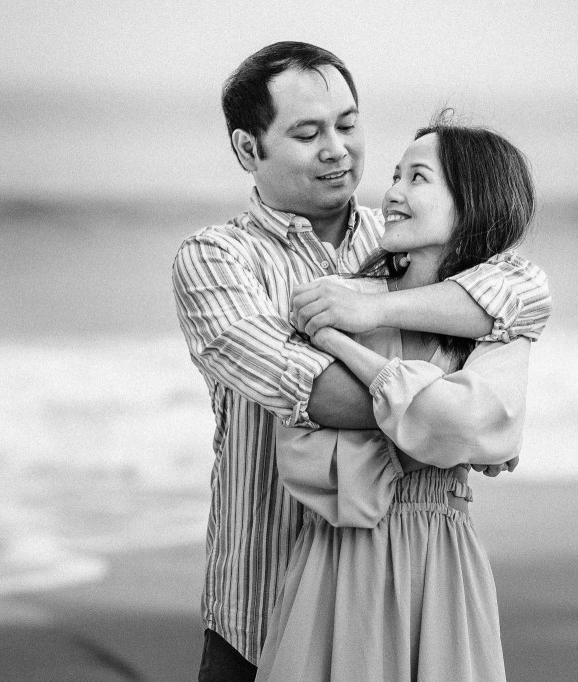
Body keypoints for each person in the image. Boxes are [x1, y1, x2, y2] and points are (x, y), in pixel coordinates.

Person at [172, 42, 550, 681]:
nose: (337, 150)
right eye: (307, 134)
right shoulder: (217, 259)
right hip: (259, 608)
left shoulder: (400, 235)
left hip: (403, 598)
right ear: (247, 149)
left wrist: (372, 309)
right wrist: (459, 423)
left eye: (347, 125)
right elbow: (313, 390)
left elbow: (525, 292)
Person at [257, 116, 539, 682]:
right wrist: (432, 435)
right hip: (340, 562)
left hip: (442, 562)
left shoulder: (496, 321)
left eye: (418, 178)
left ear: (471, 202)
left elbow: (461, 425)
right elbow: (304, 456)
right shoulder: (336, 299)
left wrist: (346, 348)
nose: (392, 193)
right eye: (394, 176)